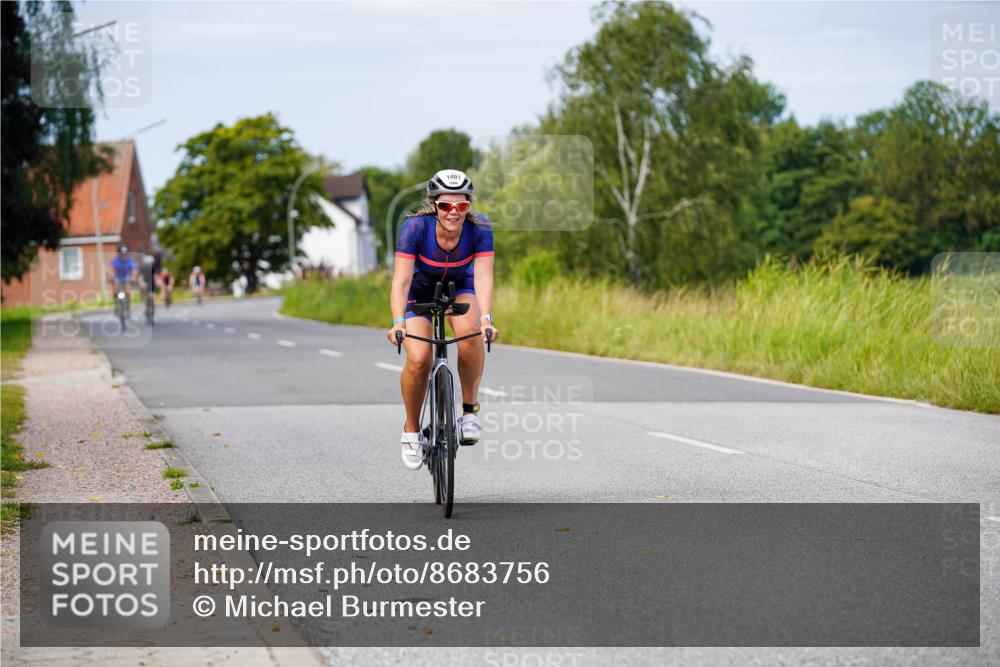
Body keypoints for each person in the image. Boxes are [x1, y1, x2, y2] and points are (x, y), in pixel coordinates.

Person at [385, 169, 499, 470]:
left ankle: (470, 411)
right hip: (418, 293)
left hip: (459, 287)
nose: (453, 213)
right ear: (434, 205)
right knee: (420, 357)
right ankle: (411, 430)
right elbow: (400, 280)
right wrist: (398, 321)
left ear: (468, 206)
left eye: (461, 206)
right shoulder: (415, 228)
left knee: (471, 334)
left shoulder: (480, 229)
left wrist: (487, 318)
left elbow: (484, 277)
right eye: (446, 206)